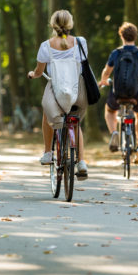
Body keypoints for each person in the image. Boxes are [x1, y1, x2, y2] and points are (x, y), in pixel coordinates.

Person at [27, 9, 89, 179]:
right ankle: (81, 162)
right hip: (77, 91)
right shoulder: (81, 42)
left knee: (47, 113)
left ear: (52, 25)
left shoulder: (46, 46)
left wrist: (33, 74)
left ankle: (48, 152)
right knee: (75, 122)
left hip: (57, 90)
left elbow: (39, 72)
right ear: (71, 24)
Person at [98, 22, 138, 164]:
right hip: (136, 94)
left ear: (121, 36)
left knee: (109, 111)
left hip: (118, 94)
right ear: (135, 36)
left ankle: (114, 132)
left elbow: (107, 72)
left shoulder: (116, 53)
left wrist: (103, 81)